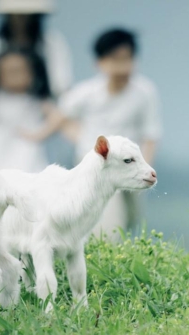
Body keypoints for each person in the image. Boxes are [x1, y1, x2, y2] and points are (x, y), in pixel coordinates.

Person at [60, 28, 162, 241]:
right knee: (107, 218)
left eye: (127, 59)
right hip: (100, 164)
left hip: (130, 161)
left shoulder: (144, 92)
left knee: (132, 215)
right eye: (115, 59)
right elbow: (62, 117)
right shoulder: (86, 92)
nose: (122, 66)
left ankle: (110, 252)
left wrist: (143, 166)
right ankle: (102, 254)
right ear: (100, 62)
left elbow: (151, 135)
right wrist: (83, 141)